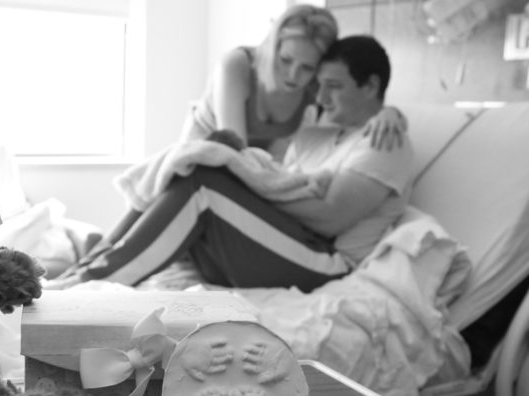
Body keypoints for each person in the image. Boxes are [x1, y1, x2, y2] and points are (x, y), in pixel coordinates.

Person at [47, 34, 414, 292]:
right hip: (281, 243)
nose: (320, 96)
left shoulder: (385, 141)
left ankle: (90, 286)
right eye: (319, 84)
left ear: (370, 86)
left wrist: (391, 113)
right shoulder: (319, 129)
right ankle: (87, 269)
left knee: (204, 185)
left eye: (334, 86)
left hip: (324, 264)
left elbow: (330, 218)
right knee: (191, 164)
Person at [180, 3, 405, 160]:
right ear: (272, 46)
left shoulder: (314, 87)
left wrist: (390, 114)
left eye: (307, 67)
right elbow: (232, 151)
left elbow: (363, 109)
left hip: (254, 165)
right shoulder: (236, 66)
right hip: (206, 151)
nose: (293, 75)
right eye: (285, 60)